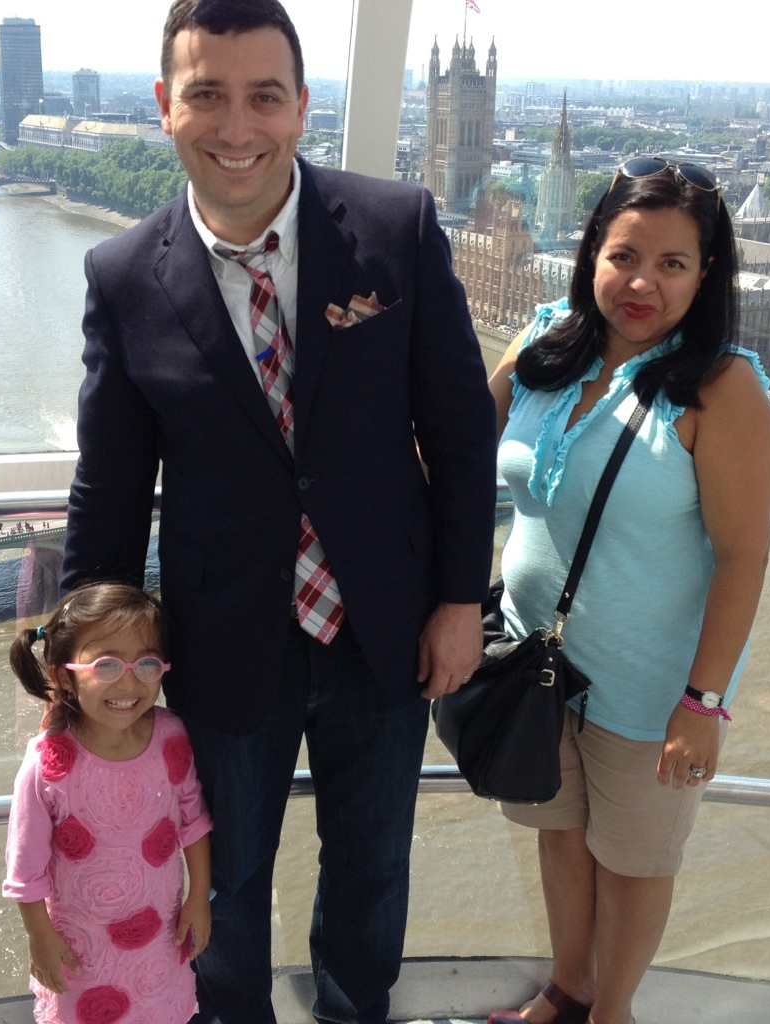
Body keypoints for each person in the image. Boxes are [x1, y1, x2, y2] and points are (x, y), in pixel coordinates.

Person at [58, 2, 497, 1021]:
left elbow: (460, 430)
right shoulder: (122, 276)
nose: (236, 127)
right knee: (224, 878)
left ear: (301, 106)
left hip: (386, 627)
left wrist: (459, 601)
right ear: (165, 106)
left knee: (373, 867)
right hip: (222, 637)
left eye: (263, 97)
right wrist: (79, 660)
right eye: (206, 95)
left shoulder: (396, 227)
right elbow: (110, 488)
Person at [485, 159, 770, 1024]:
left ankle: (611, 1012)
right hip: (535, 663)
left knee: (633, 863)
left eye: (673, 264)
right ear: (592, 256)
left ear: (705, 275)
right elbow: (456, 444)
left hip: (652, 690)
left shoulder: (723, 388)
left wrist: (703, 703)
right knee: (561, 836)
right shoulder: (544, 342)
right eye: (624, 256)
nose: (643, 282)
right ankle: (566, 989)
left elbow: (745, 558)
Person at [3, 582, 213, 1024]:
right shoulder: (48, 765)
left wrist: (199, 897)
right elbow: (25, 871)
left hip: (158, 942)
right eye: (107, 665)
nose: (129, 682)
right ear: (64, 676)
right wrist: (40, 937)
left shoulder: (171, 737)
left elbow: (193, 822)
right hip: (81, 952)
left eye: (147, 663)